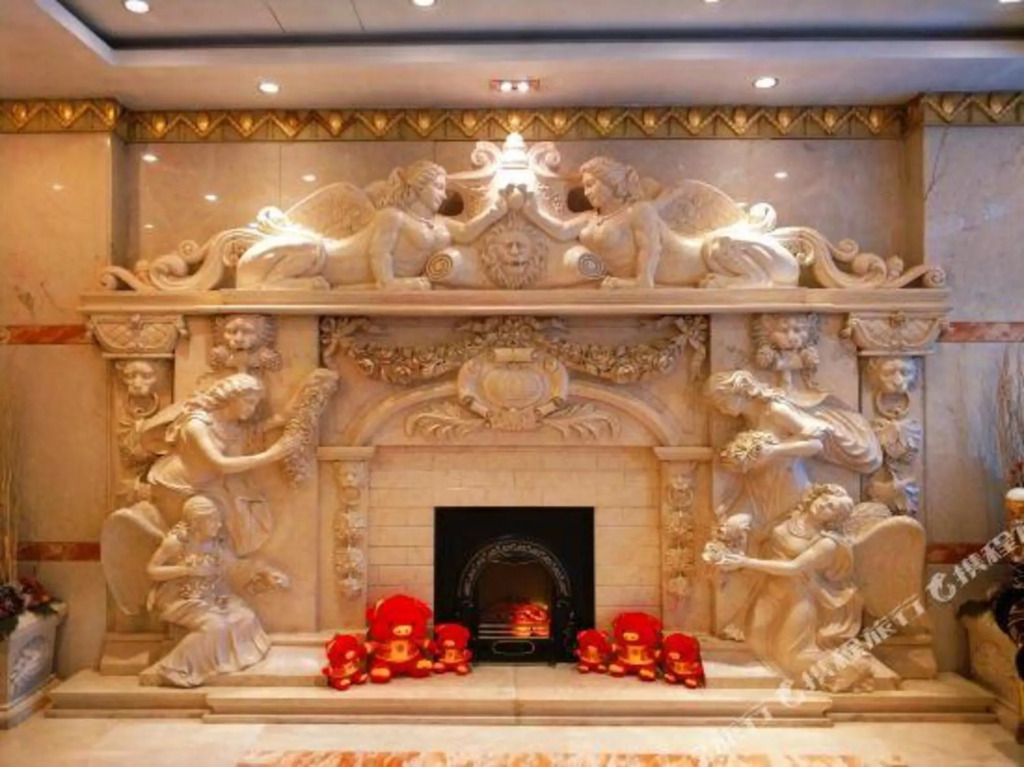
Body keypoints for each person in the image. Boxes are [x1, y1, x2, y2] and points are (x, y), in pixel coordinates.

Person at [522, 156, 801, 289]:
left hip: (688, 266)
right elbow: (559, 230)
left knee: (717, 247)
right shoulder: (589, 219)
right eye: (584, 186)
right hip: (630, 280)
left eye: (592, 184)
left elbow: (648, 263)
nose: (587, 192)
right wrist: (528, 209)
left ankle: (754, 278)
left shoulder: (639, 212)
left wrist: (632, 284)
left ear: (611, 184)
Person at [235, 160, 508, 290]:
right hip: (330, 263)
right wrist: (393, 284)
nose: (444, 194)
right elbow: (380, 256)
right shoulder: (392, 216)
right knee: (312, 249)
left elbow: (468, 232)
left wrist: (498, 212)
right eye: (438, 186)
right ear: (419, 186)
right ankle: (276, 282)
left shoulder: (439, 224)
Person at [709, 484, 874, 692]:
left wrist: (744, 562)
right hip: (768, 593)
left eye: (831, 508)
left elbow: (793, 567)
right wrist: (733, 532)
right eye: (825, 499)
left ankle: (851, 668)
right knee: (756, 644)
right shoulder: (790, 517)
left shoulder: (827, 543)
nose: (824, 506)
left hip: (797, 598)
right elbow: (761, 536)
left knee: (791, 658)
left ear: (834, 518)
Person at [148, 373, 298, 555]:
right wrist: (272, 455)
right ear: (231, 397)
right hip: (180, 488)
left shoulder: (231, 424)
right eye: (249, 402)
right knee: (223, 522)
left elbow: (271, 423)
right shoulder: (197, 425)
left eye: (255, 404)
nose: (252, 409)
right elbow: (221, 465)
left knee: (246, 515)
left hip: (209, 485)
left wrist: (305, 397)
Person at [146, 495, 286, 687]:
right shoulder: (177, 542)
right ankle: (173, 668)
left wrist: (263, 572)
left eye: (218, 519)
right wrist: (186, 570)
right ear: (196, 522)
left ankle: (222, 663)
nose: (218, 524)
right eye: (212, 520)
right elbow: (152, 570)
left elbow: (235, 566)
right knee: (214, 626)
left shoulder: (215, 543)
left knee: (245, 617)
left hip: (209, 594)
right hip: (178, 597)